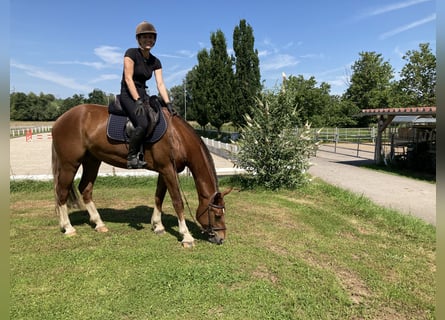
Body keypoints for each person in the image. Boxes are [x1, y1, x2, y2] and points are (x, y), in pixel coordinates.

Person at [120, 21, 174, 169]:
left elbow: (160, 84)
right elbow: (128, 78)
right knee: (143, 123)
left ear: (154, 40)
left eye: (151, 37)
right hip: (128, 94)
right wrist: (137, 100)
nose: (148, 40)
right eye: (144, 37)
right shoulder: (131, 53)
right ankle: (132, 157)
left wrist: (168, 103)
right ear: (138, 39)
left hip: (144, 94)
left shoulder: (155, 61)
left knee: (160, 114)